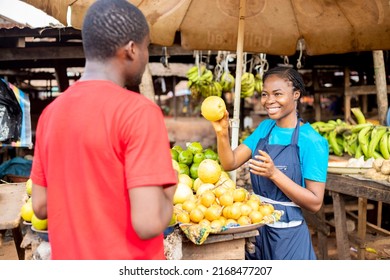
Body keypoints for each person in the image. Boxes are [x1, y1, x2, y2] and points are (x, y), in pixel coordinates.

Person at [30, 0, 177, 260]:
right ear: (131, 49)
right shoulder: (139, 113)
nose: (146, 56)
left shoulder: (50, 113)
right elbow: (149, 223)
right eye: (146, 47)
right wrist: (168, 190)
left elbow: (40, 207)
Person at [210, 66, 329, 260]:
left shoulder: (312, 141)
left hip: (288, 236)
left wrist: (274, 174)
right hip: (256, 227)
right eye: (265, 94)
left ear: (296, 94)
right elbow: (230, 162)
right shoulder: (265, 129)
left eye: (278, 94)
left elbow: (315, 202)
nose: (269, 101)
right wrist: (222, 131)